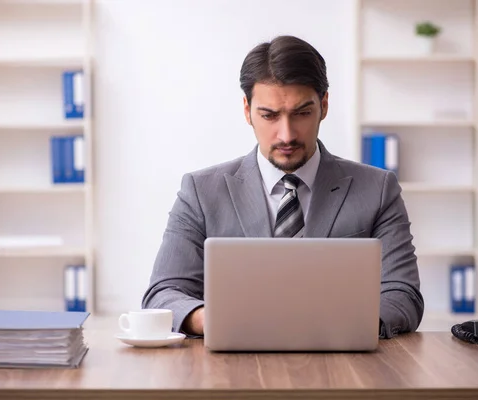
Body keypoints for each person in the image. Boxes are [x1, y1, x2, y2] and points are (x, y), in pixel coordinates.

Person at [142, 35, 424, 339]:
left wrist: (342, 323)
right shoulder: (200, 192)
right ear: (247, 110)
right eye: (269, 115)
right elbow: (164, 292)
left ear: (324, 106)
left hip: (345, 364)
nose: (286, 134)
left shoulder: (378, 189)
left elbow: (403, 293)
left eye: (302, 113)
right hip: (231, 368)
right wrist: (212, 320)